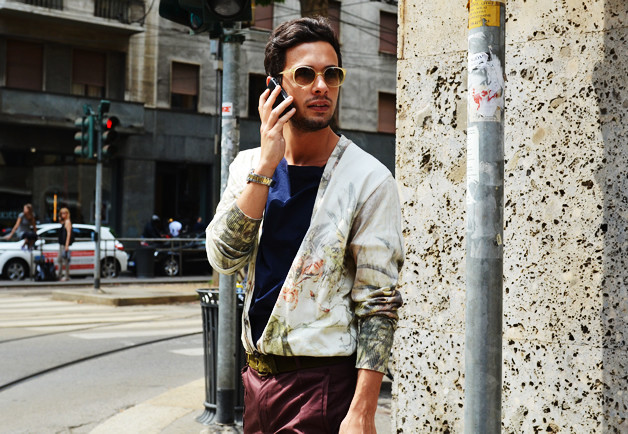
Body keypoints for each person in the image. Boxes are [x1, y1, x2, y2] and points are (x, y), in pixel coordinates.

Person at [206, 17, 404, 434]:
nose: (321, 86)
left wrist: (363, 411)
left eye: (331, 74)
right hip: (256, 380)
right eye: (305, 74)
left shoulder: (368, 179)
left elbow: (378, 304)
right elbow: (224, 258)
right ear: (275, 87)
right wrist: (266, 164)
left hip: (322, 386)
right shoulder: (247, 166)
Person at [57, 207, 72, 281]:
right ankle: (59, 274)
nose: (63, 215)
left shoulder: (68, 222)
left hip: (64, 244)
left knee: (65, 260)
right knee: (60, 259)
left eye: (64, 213)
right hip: (61, 243)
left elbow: (68, 234)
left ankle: (66, 275)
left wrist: (67, 244)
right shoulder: (64, 222)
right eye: (61, 213)